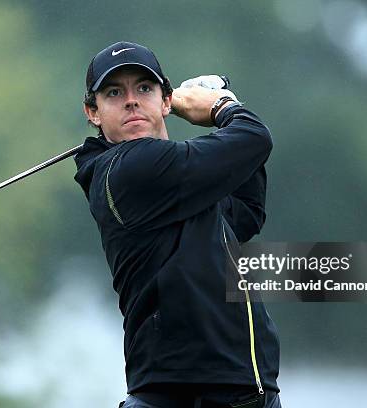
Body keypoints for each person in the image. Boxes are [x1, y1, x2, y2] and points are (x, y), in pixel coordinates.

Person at [74, 41, 281, 408]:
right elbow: (255, 139)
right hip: (182, 396)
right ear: (93, 111)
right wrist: (222, 107)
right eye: (114, 92)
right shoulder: (129, 169)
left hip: (236, 393)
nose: (131, 101)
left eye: (144, 88)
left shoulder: (174, 183)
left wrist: (226, 106)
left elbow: (245, 213)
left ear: (164, 101)